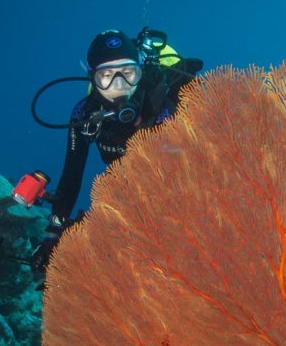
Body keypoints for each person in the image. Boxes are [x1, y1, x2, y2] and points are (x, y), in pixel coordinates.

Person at [30, 28, 203, 270]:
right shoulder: (85, 115)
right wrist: (54, 233)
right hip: (129, 184)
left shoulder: (161, 104)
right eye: (106, 76)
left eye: (128, 73)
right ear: (92, 78)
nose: (118, 85)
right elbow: (71, 176)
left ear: (140, 71)